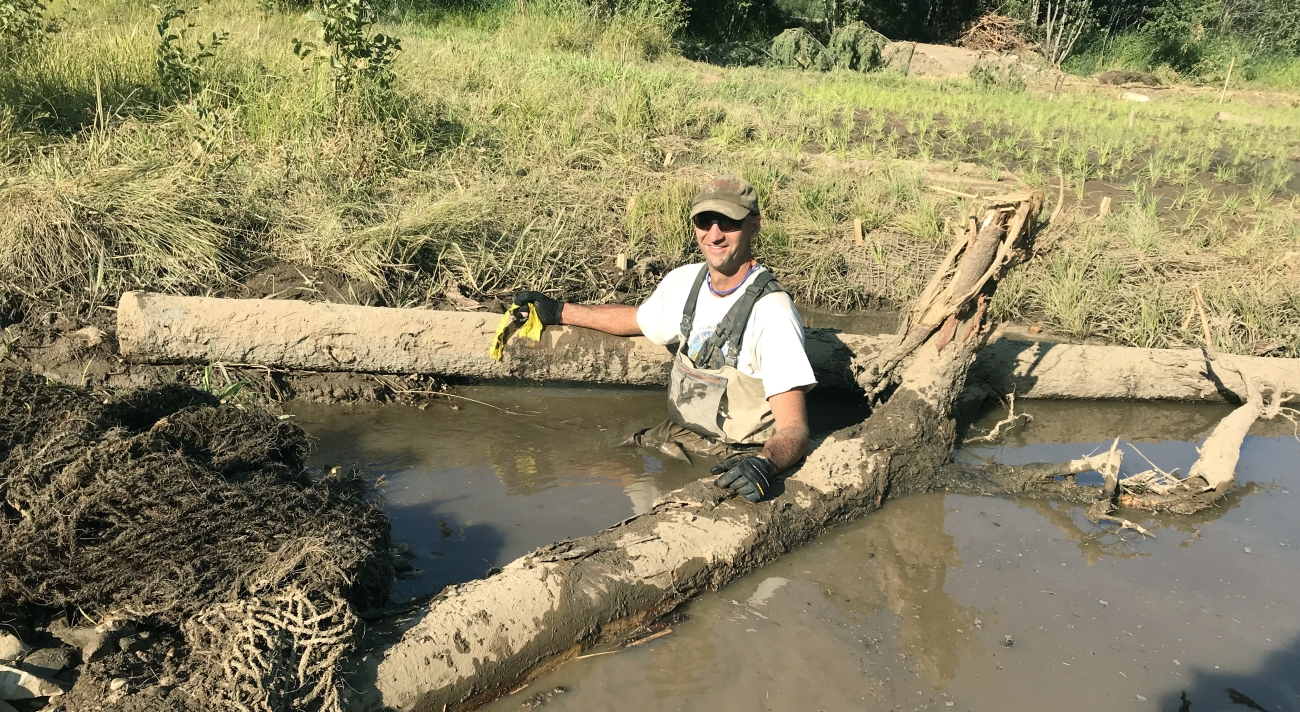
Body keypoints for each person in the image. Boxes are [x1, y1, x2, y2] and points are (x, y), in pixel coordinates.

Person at [512, 175, 815, 503]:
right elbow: (635, 320)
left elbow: (795, 428)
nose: (714, 234)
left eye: (728, 223)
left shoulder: (772, 312)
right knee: (612, 460)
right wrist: (559, 311)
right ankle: (550, 481)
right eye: (705, 221)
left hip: (740, 453)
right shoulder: (684, 282)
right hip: (680, 431)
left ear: (754, 226)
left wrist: (765, 464)